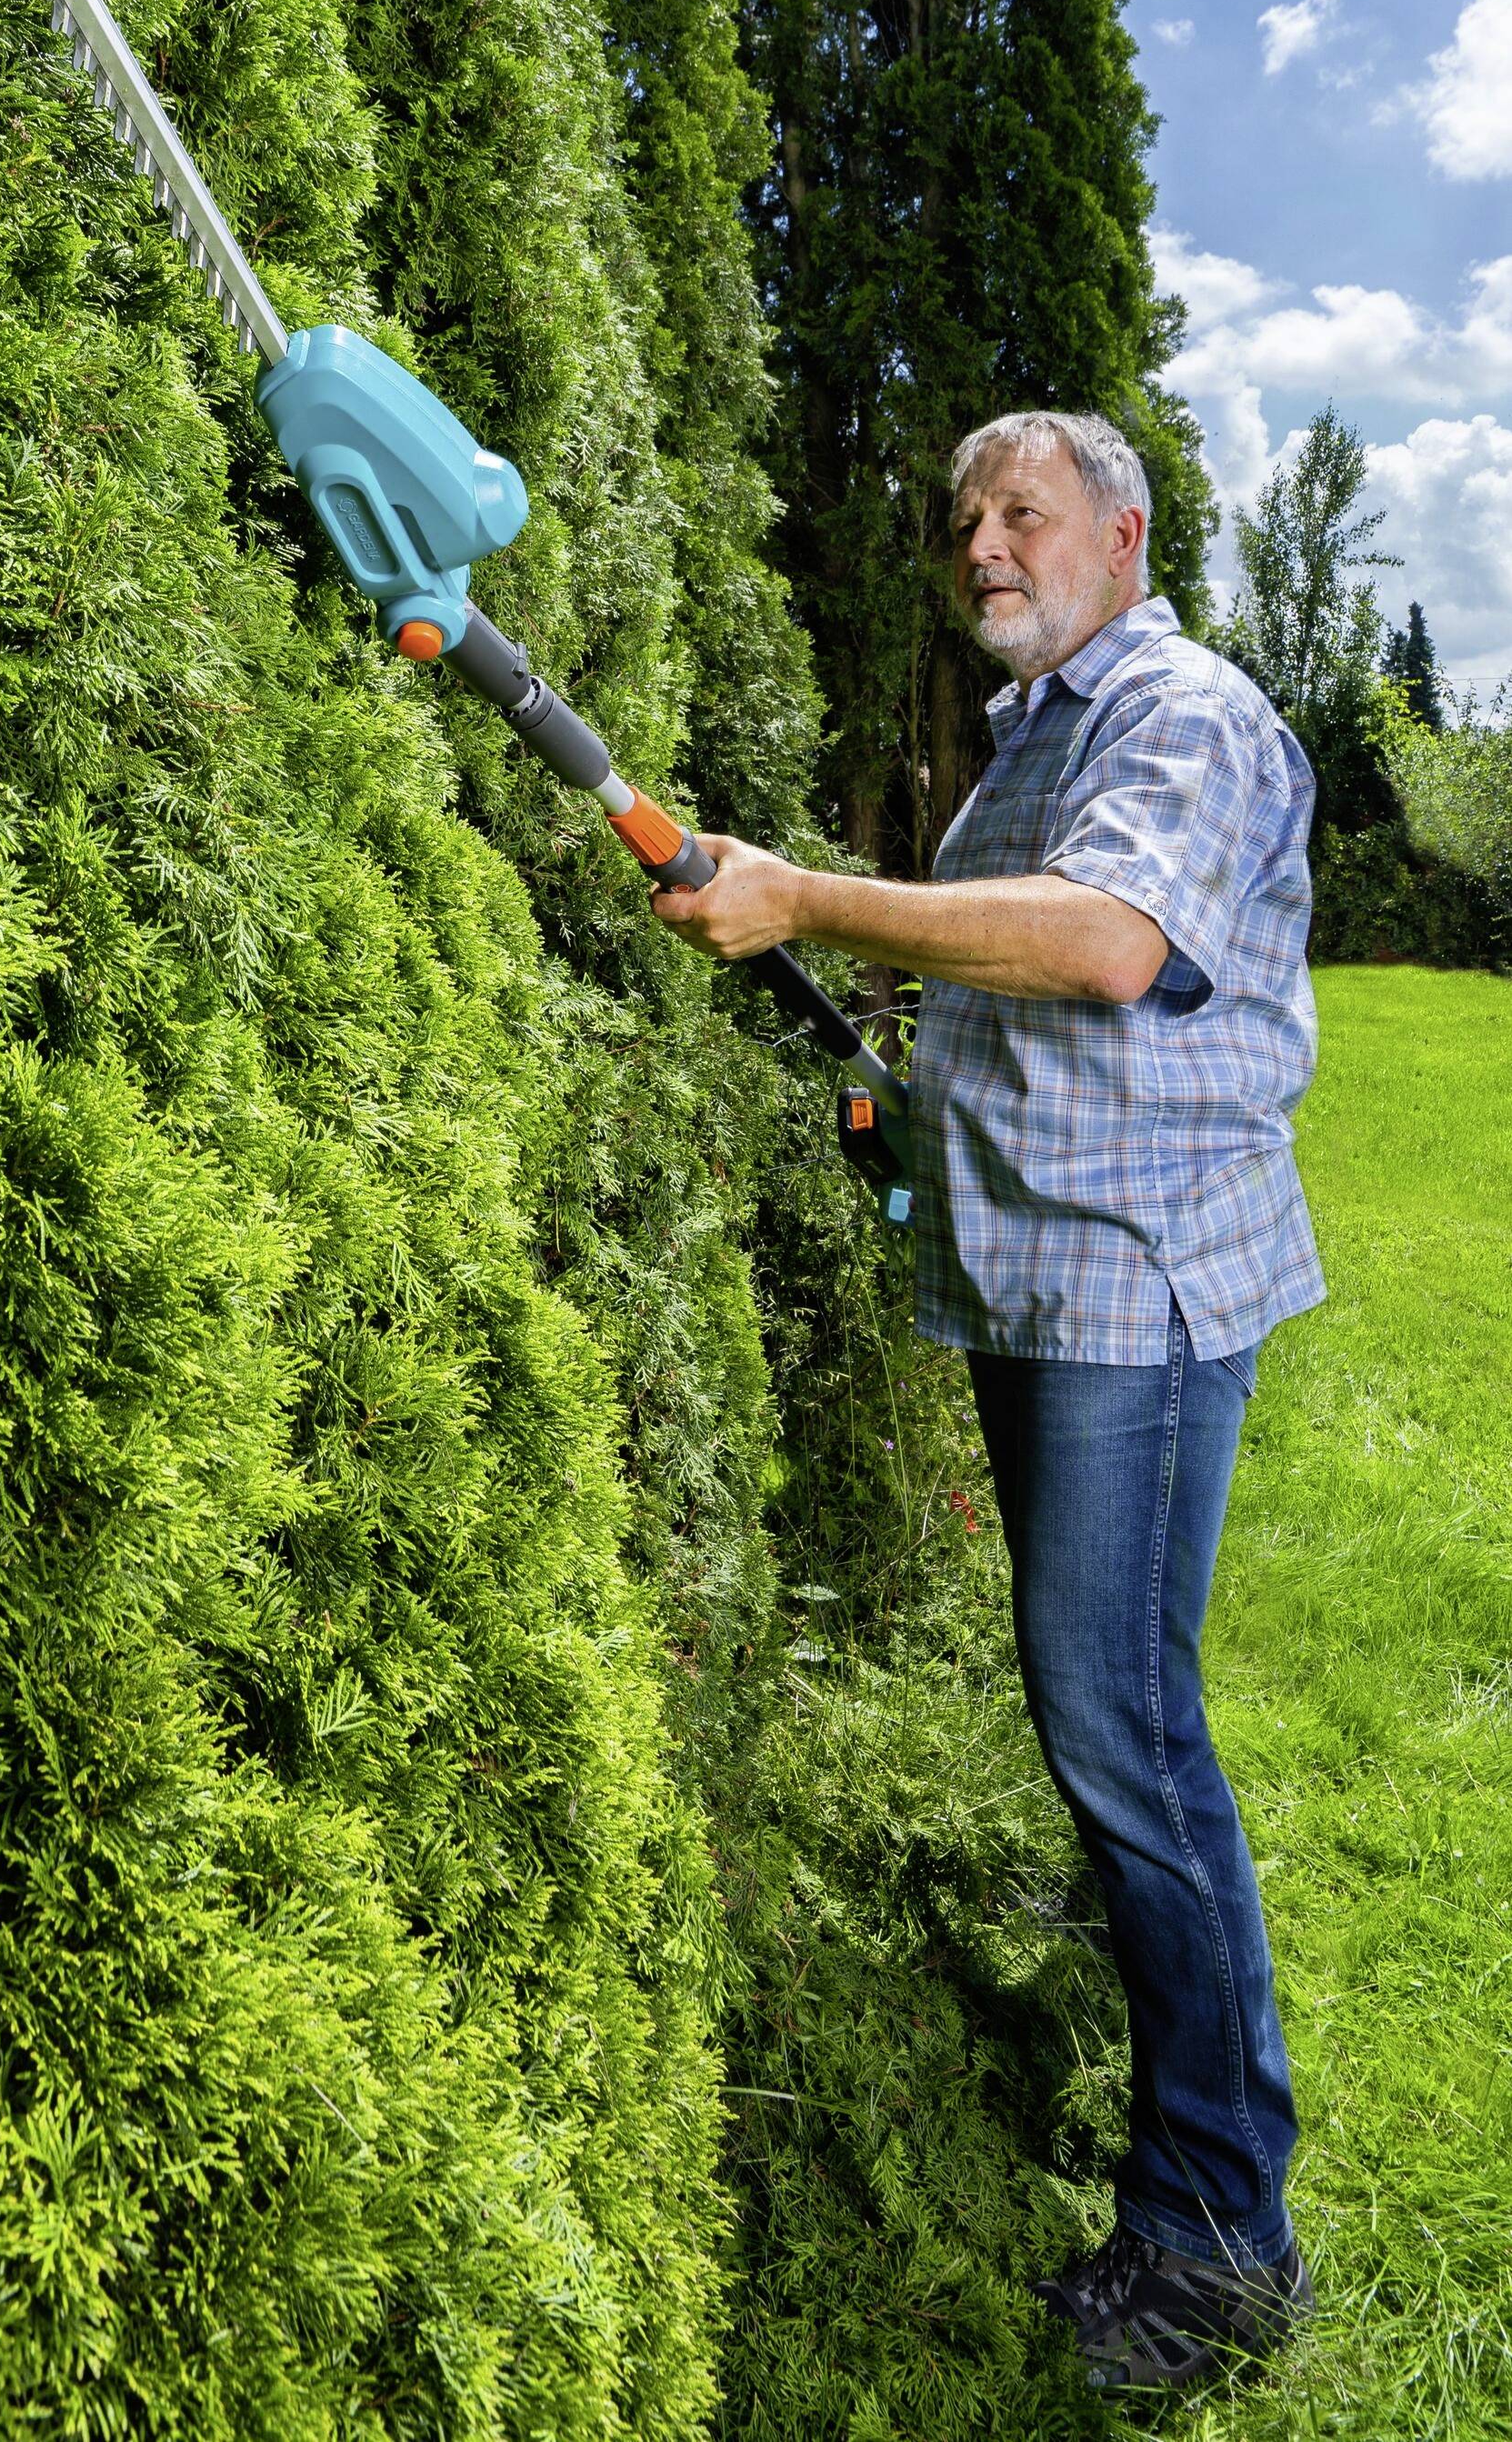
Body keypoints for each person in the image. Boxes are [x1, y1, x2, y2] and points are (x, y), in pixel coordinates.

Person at [655, 407, 1323, 2397]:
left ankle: (1219, 2231)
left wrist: (804, 897)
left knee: (1125, 1732)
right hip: (1048, 1287)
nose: (982, 544)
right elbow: (1000, 981)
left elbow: (1108, 948)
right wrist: (890, 1058)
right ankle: (1150, 1986)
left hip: (1140, 1292)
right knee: (1107, 1710)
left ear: (1125, 532)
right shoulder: (1043, 732)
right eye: (965, 519)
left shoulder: (1180, 709)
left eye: (1022, 510)